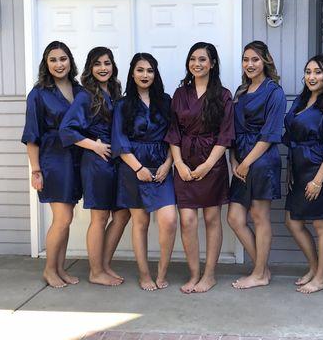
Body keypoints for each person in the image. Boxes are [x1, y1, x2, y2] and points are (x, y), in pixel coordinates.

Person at [164, 42, 235, 293]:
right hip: (184, 162)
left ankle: (210, 274)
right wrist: (180, 164)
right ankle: (194, 274)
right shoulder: (180, 93)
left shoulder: (223, 95)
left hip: (212, 163)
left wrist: (207, 165)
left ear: (212, 63)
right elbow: (172, 132)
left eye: (203, 59)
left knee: (212, 218)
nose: (197, 63)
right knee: (188, 220)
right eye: (193, 58)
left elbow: (226, 136)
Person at [60, 46, 130, 286]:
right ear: (90, 68)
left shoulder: (114, 90)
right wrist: (94, 146)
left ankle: (104, 264)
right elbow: (67, 129)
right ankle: (95, 271)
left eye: (107, 63)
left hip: (117, 161)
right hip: (97, 162)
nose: (103, 68)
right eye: (98, 64)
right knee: (99, 218)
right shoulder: (85, 95)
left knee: (122, 213)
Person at [111, 53, 177, 291]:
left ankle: (162, 271)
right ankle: (144, 273)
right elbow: (119, 140)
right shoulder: (123, 104)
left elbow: (174, 137)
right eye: (140, 70)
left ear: (155, 73)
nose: (145, 75)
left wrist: (168, 163)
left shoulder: (166, 101)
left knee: (169, 220)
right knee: (140, 222)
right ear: (132, 73)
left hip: (161, 166)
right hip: (133, 168)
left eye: (150, 70)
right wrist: (137, 168)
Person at [22, 41, 83, 288]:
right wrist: (36, 170)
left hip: (77, 159)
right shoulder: (39, 94)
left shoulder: (79, 90)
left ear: (70, 61)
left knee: (65, 220)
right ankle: (49, 269)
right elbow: (31, 136)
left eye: (63, 59)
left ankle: (60, 267)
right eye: (53, 60)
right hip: (53, 160)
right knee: (62, 218)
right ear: (46, 64)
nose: (59, 64)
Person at [227, 41, 286, 289]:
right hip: (240, 160)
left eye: (255, 59)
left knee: (260, 217)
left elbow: (270, 134)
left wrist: (247, 162)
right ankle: (262, 268)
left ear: (265, 61)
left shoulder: (274, 92)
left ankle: (259, 273)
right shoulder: (241, 91)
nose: (249, 64)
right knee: (235, 217)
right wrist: (234, 161)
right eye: (245, 59)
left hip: (262, 161)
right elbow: (233, 130)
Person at [283, 55, 323, 294]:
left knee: (321, 224)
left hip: (320, 170)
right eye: (308, 72)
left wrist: (318, 181)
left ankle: (321, 277)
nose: (311, 77)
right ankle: (314, 266)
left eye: (317, 72)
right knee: (292, 221)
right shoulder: (301, 101)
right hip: (299, 170)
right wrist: (291, 170)